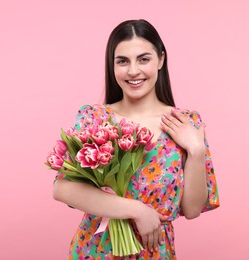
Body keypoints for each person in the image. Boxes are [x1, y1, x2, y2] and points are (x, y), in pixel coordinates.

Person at [52, 19, 220, 259]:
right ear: (112, 66)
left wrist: (196, 150)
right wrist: (137, 210)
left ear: (161, 60)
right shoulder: (96, 119)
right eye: (122, 61)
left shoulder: (185, 123)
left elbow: (192, 210)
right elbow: (62, 188)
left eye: (143, 59)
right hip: (96, 250)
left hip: (155, 252)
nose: (133, 71)